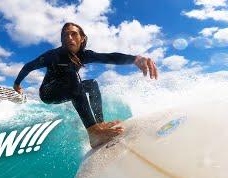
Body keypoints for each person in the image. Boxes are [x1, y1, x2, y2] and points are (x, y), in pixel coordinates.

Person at [14, 22, 158, 148]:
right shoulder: (53, 55)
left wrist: (135, 59)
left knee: (92, 84)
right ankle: (94, 133)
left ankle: (99, 124)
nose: (68, 38)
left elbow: (108, 57)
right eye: (65, 35)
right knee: (72, 73)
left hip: (69, 87)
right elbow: (29, 66)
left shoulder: (84, 55)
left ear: (82, 38)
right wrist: (17, 84)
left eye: (73, 34)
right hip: (48, 92)